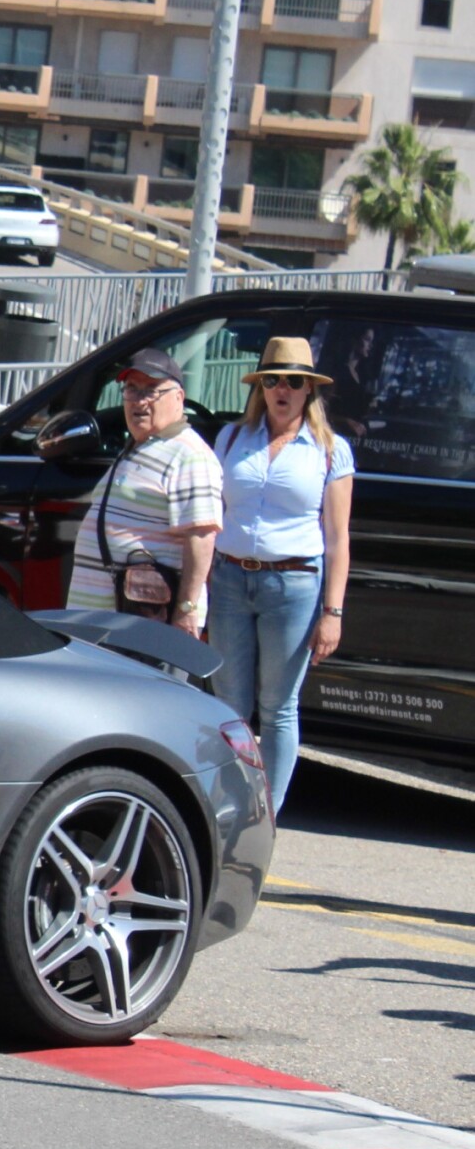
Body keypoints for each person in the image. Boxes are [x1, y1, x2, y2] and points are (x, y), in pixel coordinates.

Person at [208, 337, 353, 811]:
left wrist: (332, 611)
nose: (282, 389)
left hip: (292, 585)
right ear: (260, 388)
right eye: (272, 380)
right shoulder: (232, 438)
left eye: (293, 381)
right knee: (228, 703)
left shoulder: (330, 450)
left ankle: (265, 815)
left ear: (309, 389)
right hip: (230, 579)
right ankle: (226, 810)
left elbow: (337, 537)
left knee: (278, 707)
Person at [65, 348, 221, 638]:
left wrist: (186, 609)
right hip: (110, 619)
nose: (139, 400)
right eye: (131, 390)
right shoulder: (143, 445)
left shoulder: (189, 454)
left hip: (145, 624)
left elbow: (201, 538)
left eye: (151, 391)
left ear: (179, 398)